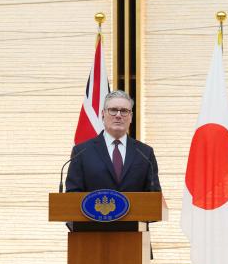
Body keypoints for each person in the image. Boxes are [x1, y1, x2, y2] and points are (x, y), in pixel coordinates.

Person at [66, 90, 161, 231]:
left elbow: (154, 200)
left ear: (131, 117)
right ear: (103, 114)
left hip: (134, 240)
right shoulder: (82, 152)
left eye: (124, 111)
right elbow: (71, 198)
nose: (118, 115)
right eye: (113, 110)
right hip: (91, 239)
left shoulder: (145, 153)